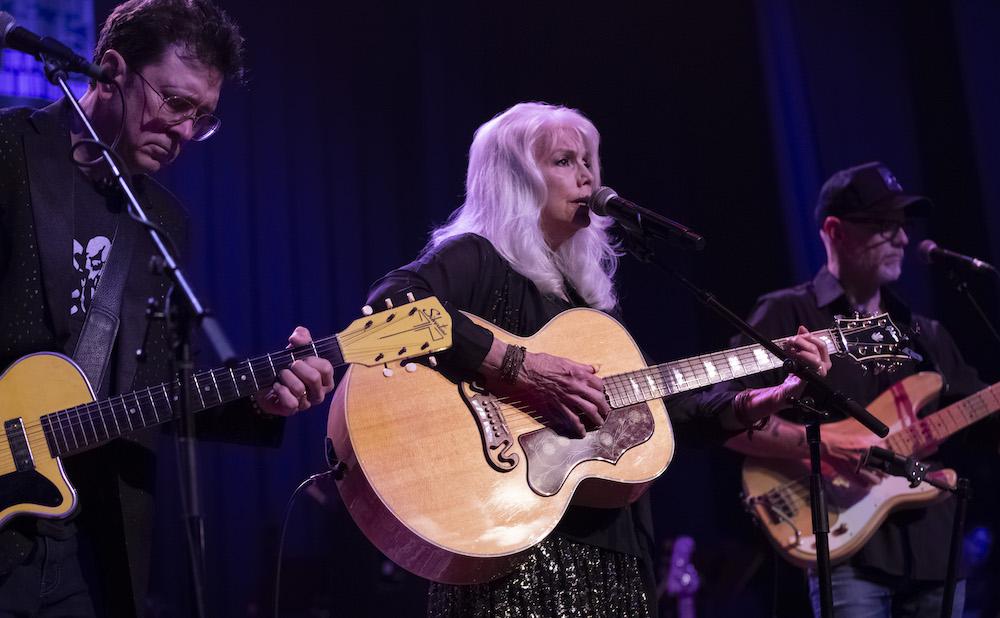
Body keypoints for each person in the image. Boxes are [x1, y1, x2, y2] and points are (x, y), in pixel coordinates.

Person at [364, 101, 828, 618]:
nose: (587, 176)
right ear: (515, 178)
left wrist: (768, 396)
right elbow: (394, 303)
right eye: (564, 161)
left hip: (614, 559)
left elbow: (667, 414)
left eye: (589, 161)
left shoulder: (585, 306)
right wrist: (518, 368)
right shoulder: (477, 257)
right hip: (506, 549)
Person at [0, 1, 334, 616]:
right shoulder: (9, 153)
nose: (184, 131)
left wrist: (258, 399)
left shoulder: (164, 221)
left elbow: (148, 393)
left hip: (78, 538)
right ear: (110, 70)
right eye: (175, 103)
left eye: (202, 118)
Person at [695, 161, 986, 617]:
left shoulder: (924, 332)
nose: (903, 239)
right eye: (884, 226)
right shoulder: (786, 314)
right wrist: (827, 445)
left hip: (937, 552)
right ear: (836, 230)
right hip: (845, 547)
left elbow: (981, 427)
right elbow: (720, 415)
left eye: (903, 226)